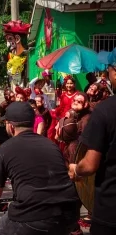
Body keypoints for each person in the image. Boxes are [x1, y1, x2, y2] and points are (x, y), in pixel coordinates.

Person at [0, 102, 80, 235]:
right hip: (70, 214)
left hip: (35, 217)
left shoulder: (3, 150)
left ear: (10, 125)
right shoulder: (51, 145)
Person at [68, 49, 116, 235]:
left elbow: (89, 165)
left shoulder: (105, 111)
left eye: (109, 69)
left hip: (110, 210)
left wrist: (75, 169)